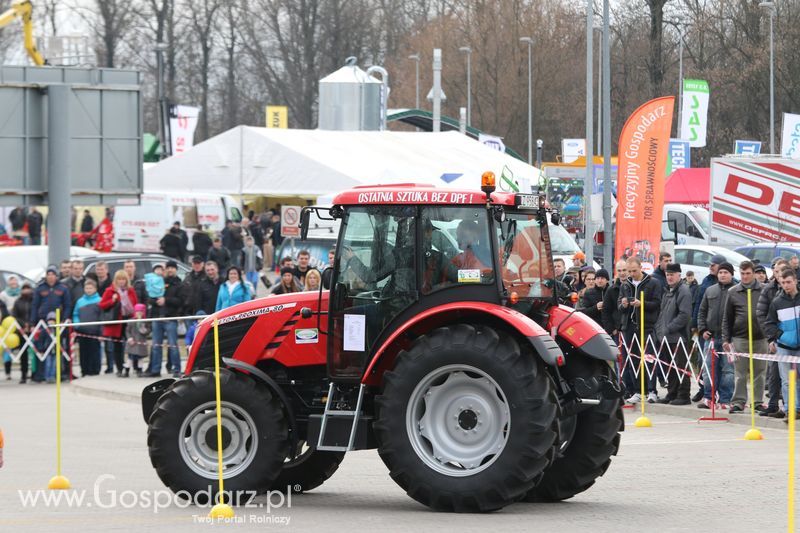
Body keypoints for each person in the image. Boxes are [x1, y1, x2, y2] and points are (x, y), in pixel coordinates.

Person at [722, 260, 768, 414]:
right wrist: (726, 339)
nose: (745, 276)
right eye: (742, 273)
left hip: (760, 337)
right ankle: (738, 401)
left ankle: (757, 402)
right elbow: (727, 317)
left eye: (748, 273)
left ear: (754, 273)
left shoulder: (764, 289)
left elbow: (770, 312)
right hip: (739, 338)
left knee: (759, 372)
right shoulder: (733, 292)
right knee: (740, 372)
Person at [618, 256, 663, 403]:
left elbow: (657, 303)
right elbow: (619, 306)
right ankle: (638, 391)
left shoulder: (653, 283)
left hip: (647, 325)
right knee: (633, 360)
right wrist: (624, 304)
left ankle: (652, 390)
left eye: (634, 271)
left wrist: (641, 303)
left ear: (641, 268)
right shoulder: (625, 285)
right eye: (629, 271)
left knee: (649, 358)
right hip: (630, 326)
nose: (631, 274)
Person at [697, 262, 736, 409]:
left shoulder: (736, 290)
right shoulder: (710, 290)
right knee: (709, 369)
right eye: (721, 272)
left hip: (729, 339)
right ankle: (709, 397)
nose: (723, 275)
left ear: (731, 274)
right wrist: (702, 329)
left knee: (728, 371)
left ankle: (725, 399)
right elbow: (702, 311)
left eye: (726, 272)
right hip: (711, 338)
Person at [763, 268, 800, 420]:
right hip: (784, 347)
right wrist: (779, 336)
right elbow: (770, 324)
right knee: (787, 380)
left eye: (789, 282)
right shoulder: (777, 302)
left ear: (795, 281)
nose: (786, 285)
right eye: (783, 282)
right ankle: (791, 410)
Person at [654, 263, 693, 405]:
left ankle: (683, 395)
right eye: (667, 274)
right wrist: (660, 330)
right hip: (665, 337)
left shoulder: (683, 291)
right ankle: (672, 393)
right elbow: (662, 313)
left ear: (679, 275)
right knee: (670, 367)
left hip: (678, 336)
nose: (669, 277)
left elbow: (684, 315)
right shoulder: (668, 291)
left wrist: (669, 328)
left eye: (672, 274)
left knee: (681, 366)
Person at [757, 260, 789, 417]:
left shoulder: (793, 289)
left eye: (781, 271)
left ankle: (789, 406)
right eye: (776, 271)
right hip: (775, 338)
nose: (778, 274)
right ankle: (773, 404)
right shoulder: (768, 289)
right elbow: (762, 314)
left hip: (791, 339)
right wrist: (771, 337)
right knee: (774, 373)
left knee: (789, 376)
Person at [31, 265, 72, 381]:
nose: (50, 277)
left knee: (59, 348)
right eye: (48, 274)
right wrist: (33, 322)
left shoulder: (63, 288)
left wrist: (65, 319)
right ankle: (40, 374)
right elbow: (35, 306)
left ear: (56, 275)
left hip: (58, 322)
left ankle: (59, 373)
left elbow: (68, 305)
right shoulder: (40, 288)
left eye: (53, 274)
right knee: (41, 348)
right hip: (43, 322)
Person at [143, 261, 182, 378]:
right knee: (156, 346)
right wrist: (156, 301)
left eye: (172, 268)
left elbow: (180, 301)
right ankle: (155, 369)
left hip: (170, 318)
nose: (170, 270)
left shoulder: (179, 284)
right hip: (157, 317)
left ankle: (177, 369)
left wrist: (166, 300)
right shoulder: (157, 280)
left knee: (173, 345)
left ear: (176, 269)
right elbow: (149, 298)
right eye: (168, 268)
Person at [98, 270, 138, 377]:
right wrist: (112, 300)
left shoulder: (131, 290)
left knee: (132, 345)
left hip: (129, 321)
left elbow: (135, 305)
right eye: (119, 279)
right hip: (117, 323)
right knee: (117, 346)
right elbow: (102, 305)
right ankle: (120, 368)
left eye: (123, 279)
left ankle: (135, 367)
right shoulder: (110, 291)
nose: (121, 281)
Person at [72, 278, 102, 376]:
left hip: (95, 331)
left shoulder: (99, 300)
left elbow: (102, 316)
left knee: (95, 352)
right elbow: (75, 314)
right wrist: (77, 324)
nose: (88, 290)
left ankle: (95, 370)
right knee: (83, 352)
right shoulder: (80, 301)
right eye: (87, 288)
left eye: (91, 288)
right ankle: (84, 370)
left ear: (95, 289)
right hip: (83, 331)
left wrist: (101, 331)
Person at [11, 283, 34, 383]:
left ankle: (34, 374)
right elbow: (14, 316)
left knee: (34, 353)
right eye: (24, 289)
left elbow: (35, 312)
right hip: (22, 331)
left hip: (33, 329)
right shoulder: (17, 302)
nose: (26, 291)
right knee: (23, 353)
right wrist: (24, 325)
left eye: (28, 289)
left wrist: (31, 324)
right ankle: (23, 375)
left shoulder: (34, 300)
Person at [602, 261, 628, 339]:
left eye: (624, 270)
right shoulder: (611, 290)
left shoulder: (634, 287)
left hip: (630, 329)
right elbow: (606, 311)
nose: (622, 273)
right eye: (619, 271)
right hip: (617, 330)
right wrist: (611, 329)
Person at [125, 304, 149, 377]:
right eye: (137, 311)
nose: (139, 313)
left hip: (141, 343)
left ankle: (139, 370)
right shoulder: (131, 321)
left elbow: (148, 330)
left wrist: (144, 329)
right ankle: (126, 371)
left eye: (141, 312)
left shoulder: (145, 321)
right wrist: (129, 338)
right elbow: (127, 331)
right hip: (132, 343)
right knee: (130, 358)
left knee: (140, 358)